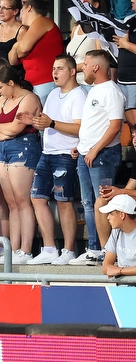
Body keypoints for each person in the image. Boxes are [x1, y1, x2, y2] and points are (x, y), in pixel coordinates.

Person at [20, 55, 84, 265]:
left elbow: (79, 127)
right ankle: (49, 248)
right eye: (53, 68)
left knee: (64, 202)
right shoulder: (53, 94)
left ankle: (69, 250)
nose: (54, 73)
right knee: (37, 198)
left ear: (72, 71)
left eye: (59, 69)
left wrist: (51, 123)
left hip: (65, 154)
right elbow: (46, 123)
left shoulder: (79, 95)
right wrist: (34, 122)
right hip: (47, 153)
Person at [70, 50, 124, 266]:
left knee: (103, 202)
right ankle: (94, 248)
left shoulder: (111, 91)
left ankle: (105, 250)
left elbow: (115, 125)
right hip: (87, 153)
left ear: (96, 67)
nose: (82, 67)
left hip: (102, 155)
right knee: (88, 202)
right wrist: (81, 146)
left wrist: (95, 149)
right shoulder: (94, 90)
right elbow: (93, 124)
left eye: (86, 63)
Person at [0, 65, 43, 264]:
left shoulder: (28, 98)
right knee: (11, 203)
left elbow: (16, 128)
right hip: (4, 148)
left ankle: (26, 250)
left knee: (22, 201)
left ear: (11, 83)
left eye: (0, 87)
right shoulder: (3, 100)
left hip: (24, 147)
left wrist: (1, 129)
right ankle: (14, 248)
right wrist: (5, 130)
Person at [10, 0, 64, 103]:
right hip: (33, 83)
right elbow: (13, 60)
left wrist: (16, 46)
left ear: (29, 8)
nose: (21, 15)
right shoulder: (30, 30)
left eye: (22, 10)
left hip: (45, 82)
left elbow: (23, 49)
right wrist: (17, 47)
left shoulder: (41, 21)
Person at [100, 194, 136, 277]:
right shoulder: (116, 231)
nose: (108, 217)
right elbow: (105, 266)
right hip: (123, 287)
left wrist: (120, 271)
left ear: (122, 215)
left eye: (111, 214)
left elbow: (110, 268)